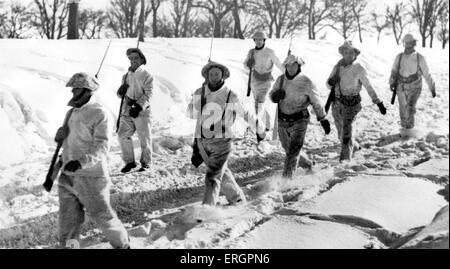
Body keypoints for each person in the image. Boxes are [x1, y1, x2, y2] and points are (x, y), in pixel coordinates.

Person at [54, 72, 129, 249]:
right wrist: (61, 137)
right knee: (68, 223)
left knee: (103, 218)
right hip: (68, 175)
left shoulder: (100, 113)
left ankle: (123, 246)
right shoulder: (72, 112)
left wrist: (81, 162)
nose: (73, 92)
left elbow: (102, 146)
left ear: (87, 91)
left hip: (91, 177)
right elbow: (71, 142)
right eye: (72, 89)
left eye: (77, 89)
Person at [187, 61, 266, 206]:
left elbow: (246, 114)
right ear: (206, 76)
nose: (214, 77)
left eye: (217, 74)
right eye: (211, 74)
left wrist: (260, 129)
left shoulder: (230, 96)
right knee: (221, 172)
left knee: (212, 176)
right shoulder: (200, 92)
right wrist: (197, 99)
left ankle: (208, 208)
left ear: (223, 76)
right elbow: (192, 115)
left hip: (222, 140)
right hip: (203, 140)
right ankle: (237, 198)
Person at [270, 54, 331, 178]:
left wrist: (322, 118)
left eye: (294, 65)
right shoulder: (280, 80)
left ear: (299, 66)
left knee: (293, 151)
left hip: (300, 120)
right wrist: (275, 96)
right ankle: (307, 163)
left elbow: (316, 102)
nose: (291, 68)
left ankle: (286, 180)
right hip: (282, 119)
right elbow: (271, 95)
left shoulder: (307, 82)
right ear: (285, 66)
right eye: (289, 65)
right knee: (288, 148)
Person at [326, 40, 387, 161]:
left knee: (346, 135)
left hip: (352, 105)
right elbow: (328, 84)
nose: (348, 55)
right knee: (341, 135)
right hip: (337, 105)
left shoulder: (359, 69)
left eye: (351, 53)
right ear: (342, 54)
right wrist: (331, 81)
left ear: (355, 55)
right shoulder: (337, 67)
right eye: (346, 52)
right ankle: (355, 147)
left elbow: (368, 86)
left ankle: (344, 163)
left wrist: (378, 102)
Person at [389, 33, 437, 138]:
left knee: (410, 107)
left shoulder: (420, 58)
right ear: (404, 44)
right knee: (402, 108)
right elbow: (393, 71)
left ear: (414, 44)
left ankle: (409, 132)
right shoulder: (399, 57)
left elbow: (426, 74)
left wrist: (432, 87)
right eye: (406, 43)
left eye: (410, 43)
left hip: (415, 86)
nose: (408, 45)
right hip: (401, 85)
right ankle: (403, 130)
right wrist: (392, 82)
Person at [117, 48, 154, 173]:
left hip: (142, 111)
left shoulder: (146, 75)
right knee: (122, 135)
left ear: (142, 59)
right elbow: (122, 95)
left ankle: (146, 163)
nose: (133, 60)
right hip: (127, 110)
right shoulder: (125, 76)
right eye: (131, 58)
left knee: (144, 138)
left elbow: (149, 94)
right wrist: (120, 92)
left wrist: (138, 106)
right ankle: (130, 162)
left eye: (136, 58)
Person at [243, 31, 284, 140]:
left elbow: (278, 63)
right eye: (256, 40)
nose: (259, 42)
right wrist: (248, 64)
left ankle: (258, 128)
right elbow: (245, 65)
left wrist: (287, 73)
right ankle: (268, 124)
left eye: (261, 40)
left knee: (259, 103)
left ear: (264, 40)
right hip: (255, 81)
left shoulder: (270, 52)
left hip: (266, 81)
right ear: (254, 41)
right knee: (259, 103)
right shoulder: (251, 52)